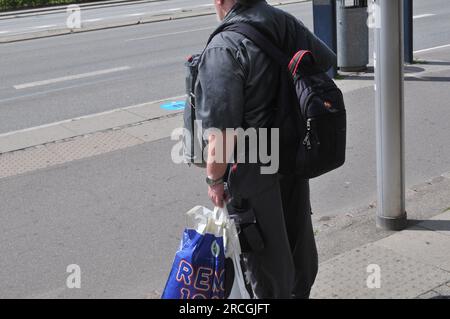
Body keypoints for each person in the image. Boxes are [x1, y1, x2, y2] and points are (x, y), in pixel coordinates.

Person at [195, 0, 336, 299]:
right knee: (296, 248)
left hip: (253, 165)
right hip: (292, 155)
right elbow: (324, 60)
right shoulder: (282, 21)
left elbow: (222, 131)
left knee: (264, 265)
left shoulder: (224, 46)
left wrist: (214, 180)